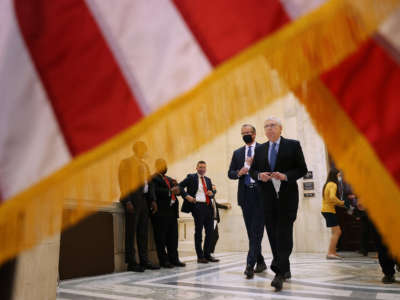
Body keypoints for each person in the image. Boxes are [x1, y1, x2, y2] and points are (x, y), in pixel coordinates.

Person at [250, 117, 308, 292]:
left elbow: (302, 169)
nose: (269, 129)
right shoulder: (260, 150)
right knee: (273, 235)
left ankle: (278, 272)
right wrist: (260, 176)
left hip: (287, 198)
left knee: (284, 233)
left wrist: (286, 176)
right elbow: (253, 171)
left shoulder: (293, 145)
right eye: (266, 126)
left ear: (280, 128)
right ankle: (285, 267)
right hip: (267, 199)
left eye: (272, 125)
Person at [228, 124, 266, 279]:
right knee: (252, 232)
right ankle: (261, 261)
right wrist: (239, 172)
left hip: (261, 195)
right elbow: (230, 173)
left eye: (248, 133)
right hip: (245, 196)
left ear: (255, 134)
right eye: (243, 133)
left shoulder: (264, 149)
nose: (246, 135)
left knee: (257, 230)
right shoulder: (237, 153)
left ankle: (249, 265)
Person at [118, 141, 159, 272]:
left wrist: (152, 200)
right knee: (131, 232)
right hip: (133, 200)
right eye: (143, 149)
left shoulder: (145, 165)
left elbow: (150, 184)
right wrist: (127, 200)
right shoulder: (126, 162)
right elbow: (123, 182)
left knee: (143, 232)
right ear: (136, 149)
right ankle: (131, 262)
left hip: (144, 201)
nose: (145, 151)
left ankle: (144, 260)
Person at [179, 161, 219, 263]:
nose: (202, 169)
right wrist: (187, 196)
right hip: (197, 206)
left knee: (210, 232)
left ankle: (207, 254)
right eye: (200, 167)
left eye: (204, 167)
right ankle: (200, 256)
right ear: (196, 168)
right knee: (199, 232)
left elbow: (212, 192)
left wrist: (212, 193)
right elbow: (180, 186)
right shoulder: (191, 177)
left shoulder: (208, 180)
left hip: (208, 207)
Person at [151, 158, 185, 268]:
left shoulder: (169, 179)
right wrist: (170, 191)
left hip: (172, 211)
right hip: (161, 212)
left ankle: (174, 259)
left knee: (173, 238)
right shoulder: (153, 178)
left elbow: (178, 191)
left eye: (165, 165)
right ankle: (164, 261)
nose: (165, 167)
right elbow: (155, 191)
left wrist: (178, 188)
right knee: (161, 238)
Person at [321, 168, 345, 260]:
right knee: (337, 232)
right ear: (335, 175)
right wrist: (342, 203)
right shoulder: (333, 184)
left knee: (336, 232)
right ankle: (330, 253)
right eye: (339, 175)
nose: (340, 177)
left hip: (326, 210)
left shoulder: (328, 184)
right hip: (329, 211)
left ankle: (333, 252)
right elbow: (332, 197)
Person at [209, 184, 231, 254]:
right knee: (212, 236)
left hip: (215, 219)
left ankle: (210, 251)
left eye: (215, 189)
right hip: (210, 219)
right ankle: (208, 252)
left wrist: (226, 207)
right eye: (213, 189)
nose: (215, 191)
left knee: (215, 236)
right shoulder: (208, 198)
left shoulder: (213, 198)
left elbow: (216, 205)